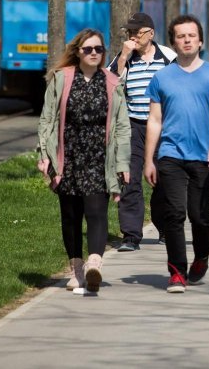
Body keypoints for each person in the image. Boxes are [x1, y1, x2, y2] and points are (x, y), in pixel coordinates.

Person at [143, 15, 209, 293]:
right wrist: (149, 159)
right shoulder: (162, 77)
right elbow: (155, 120)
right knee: (174, 214)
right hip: (170, 156)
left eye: (191, 35)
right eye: (181, 36)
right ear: (173, 42)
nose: (186, 40)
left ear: (200, 40)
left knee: (199, 215)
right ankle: (177, 272)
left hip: (204, 157)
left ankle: (202, 257)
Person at [37, 29, 130, 294]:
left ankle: (94, 265)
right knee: (71, 216)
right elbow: (47, 120)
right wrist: (44, 155)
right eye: (88, 49)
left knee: (96, 211)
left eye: (98, 49)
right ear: (78, 51)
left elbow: (122, 127)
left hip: (100, 159)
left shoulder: (112, 83)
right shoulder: (62, 79)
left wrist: (123, 164)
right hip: (69, 157)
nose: (93, 54)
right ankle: (76, 270)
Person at [108, 12, 176, 251]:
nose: (133, 36)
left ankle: (166, 228)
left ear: (151, 33)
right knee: (130, 179)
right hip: (133, 126)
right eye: (130, 33)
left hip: (164, 126)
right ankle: (130, 236)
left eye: (138, 32)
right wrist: (123, 57)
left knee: (165, 180)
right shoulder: (124, 57)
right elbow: (109, 85)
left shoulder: (168, 57)